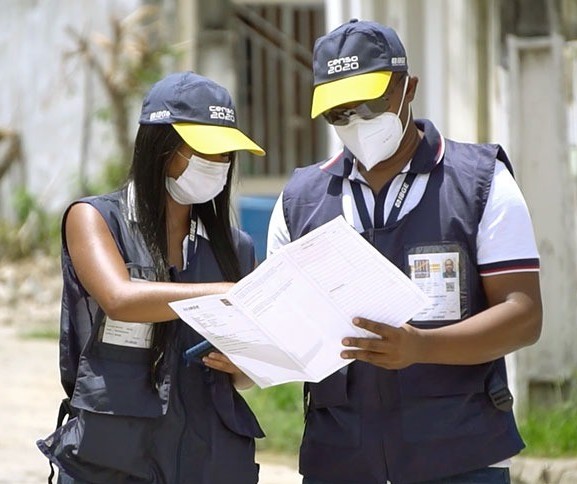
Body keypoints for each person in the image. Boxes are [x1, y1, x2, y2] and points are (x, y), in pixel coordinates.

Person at [267, 19, 542, 484]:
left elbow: (523, 314)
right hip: (340, 459)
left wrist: (422, 347)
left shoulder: (480, 181)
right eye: (339, 112)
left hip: (459, 456)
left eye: (370, 103)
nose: (356, 121)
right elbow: (281, 320)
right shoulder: (300, 200)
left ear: (407, 88)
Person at [37, 71, 266, 483]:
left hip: (209, 455)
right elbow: (120, 299)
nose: (217, 166)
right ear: (160, 147)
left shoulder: (237, 248)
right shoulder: (96, 219)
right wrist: (227, 293)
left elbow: (244, 375)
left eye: (225, 154)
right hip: (115, 458)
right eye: (204, 152)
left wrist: (244, 365)